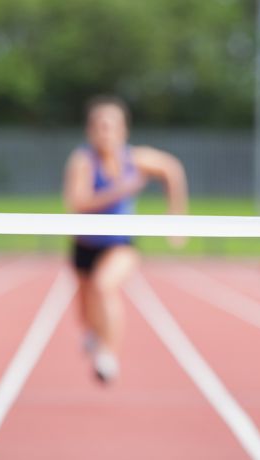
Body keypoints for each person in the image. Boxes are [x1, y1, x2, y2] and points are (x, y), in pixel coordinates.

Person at [64, 95, 188, 383]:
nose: (105, 132)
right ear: (89, 130)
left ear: (124, 131)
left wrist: (176, 217)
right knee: (84, 314)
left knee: (104, 286)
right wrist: (118, 190)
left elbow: (172, 169)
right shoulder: (83, 160)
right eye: (99, 126)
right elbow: (77, 201)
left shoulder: (135, 158)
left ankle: (109, 354)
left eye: (111, 126)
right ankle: (95, 334)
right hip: (84, 244)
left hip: (120, 243)